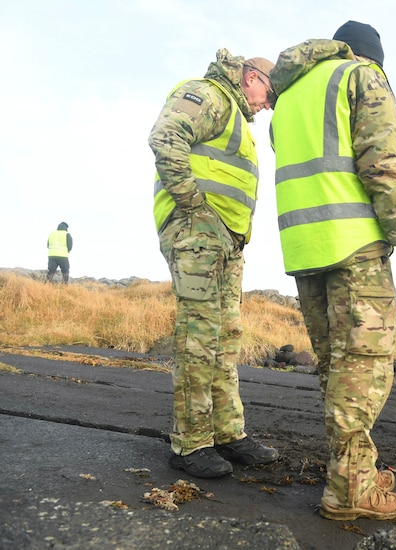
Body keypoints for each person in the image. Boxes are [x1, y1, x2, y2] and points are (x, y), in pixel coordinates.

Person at [269, 21, 396, 521]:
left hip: (304, 249)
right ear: (370, 55)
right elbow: (383, 164)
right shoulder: (360, 77)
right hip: (354, 245)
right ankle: (349, 493)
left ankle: (353, 469)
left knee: (338, 370)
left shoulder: (291, 95)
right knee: (365, 370)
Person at [148, 49, 279, 478]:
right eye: (268, 92)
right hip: (197, 231)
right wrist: (194, 206)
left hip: (226, 241)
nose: (267, 103)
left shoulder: (238, 118)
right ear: (250, 76)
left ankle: (227, 433)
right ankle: (191, 444)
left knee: (225, 338)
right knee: (199, 335)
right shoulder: (209, 95)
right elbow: (166, 137)